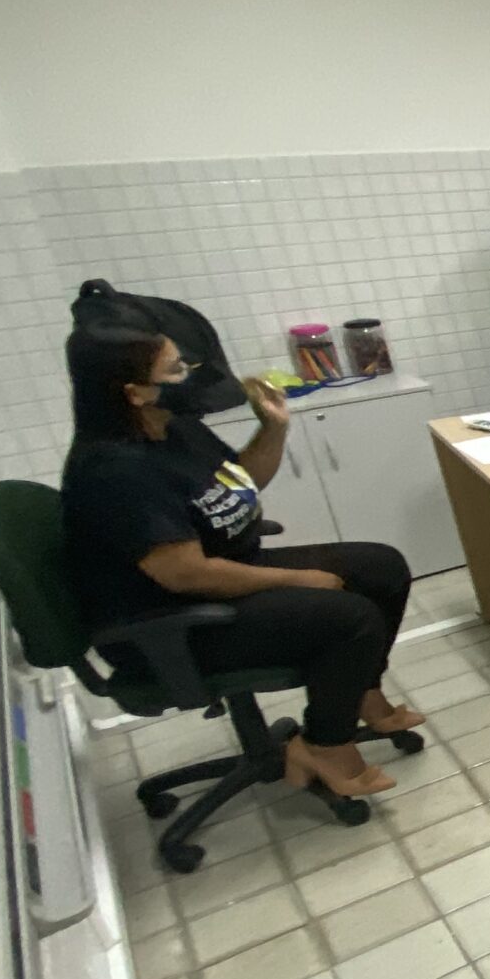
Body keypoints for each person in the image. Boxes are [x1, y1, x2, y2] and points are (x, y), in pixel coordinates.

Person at [60, 331, 424, 801]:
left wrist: (273, 427)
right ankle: (324, 745)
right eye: (175, 370)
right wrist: (300, 579)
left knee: (381, 568)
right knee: (351, 616)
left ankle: (361, 693)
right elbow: (184, 573)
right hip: (168, 622)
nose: (192, 376)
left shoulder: (175, 427)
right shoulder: (114, 470)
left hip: (219, 573)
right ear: (135, 393)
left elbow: (240, 483)